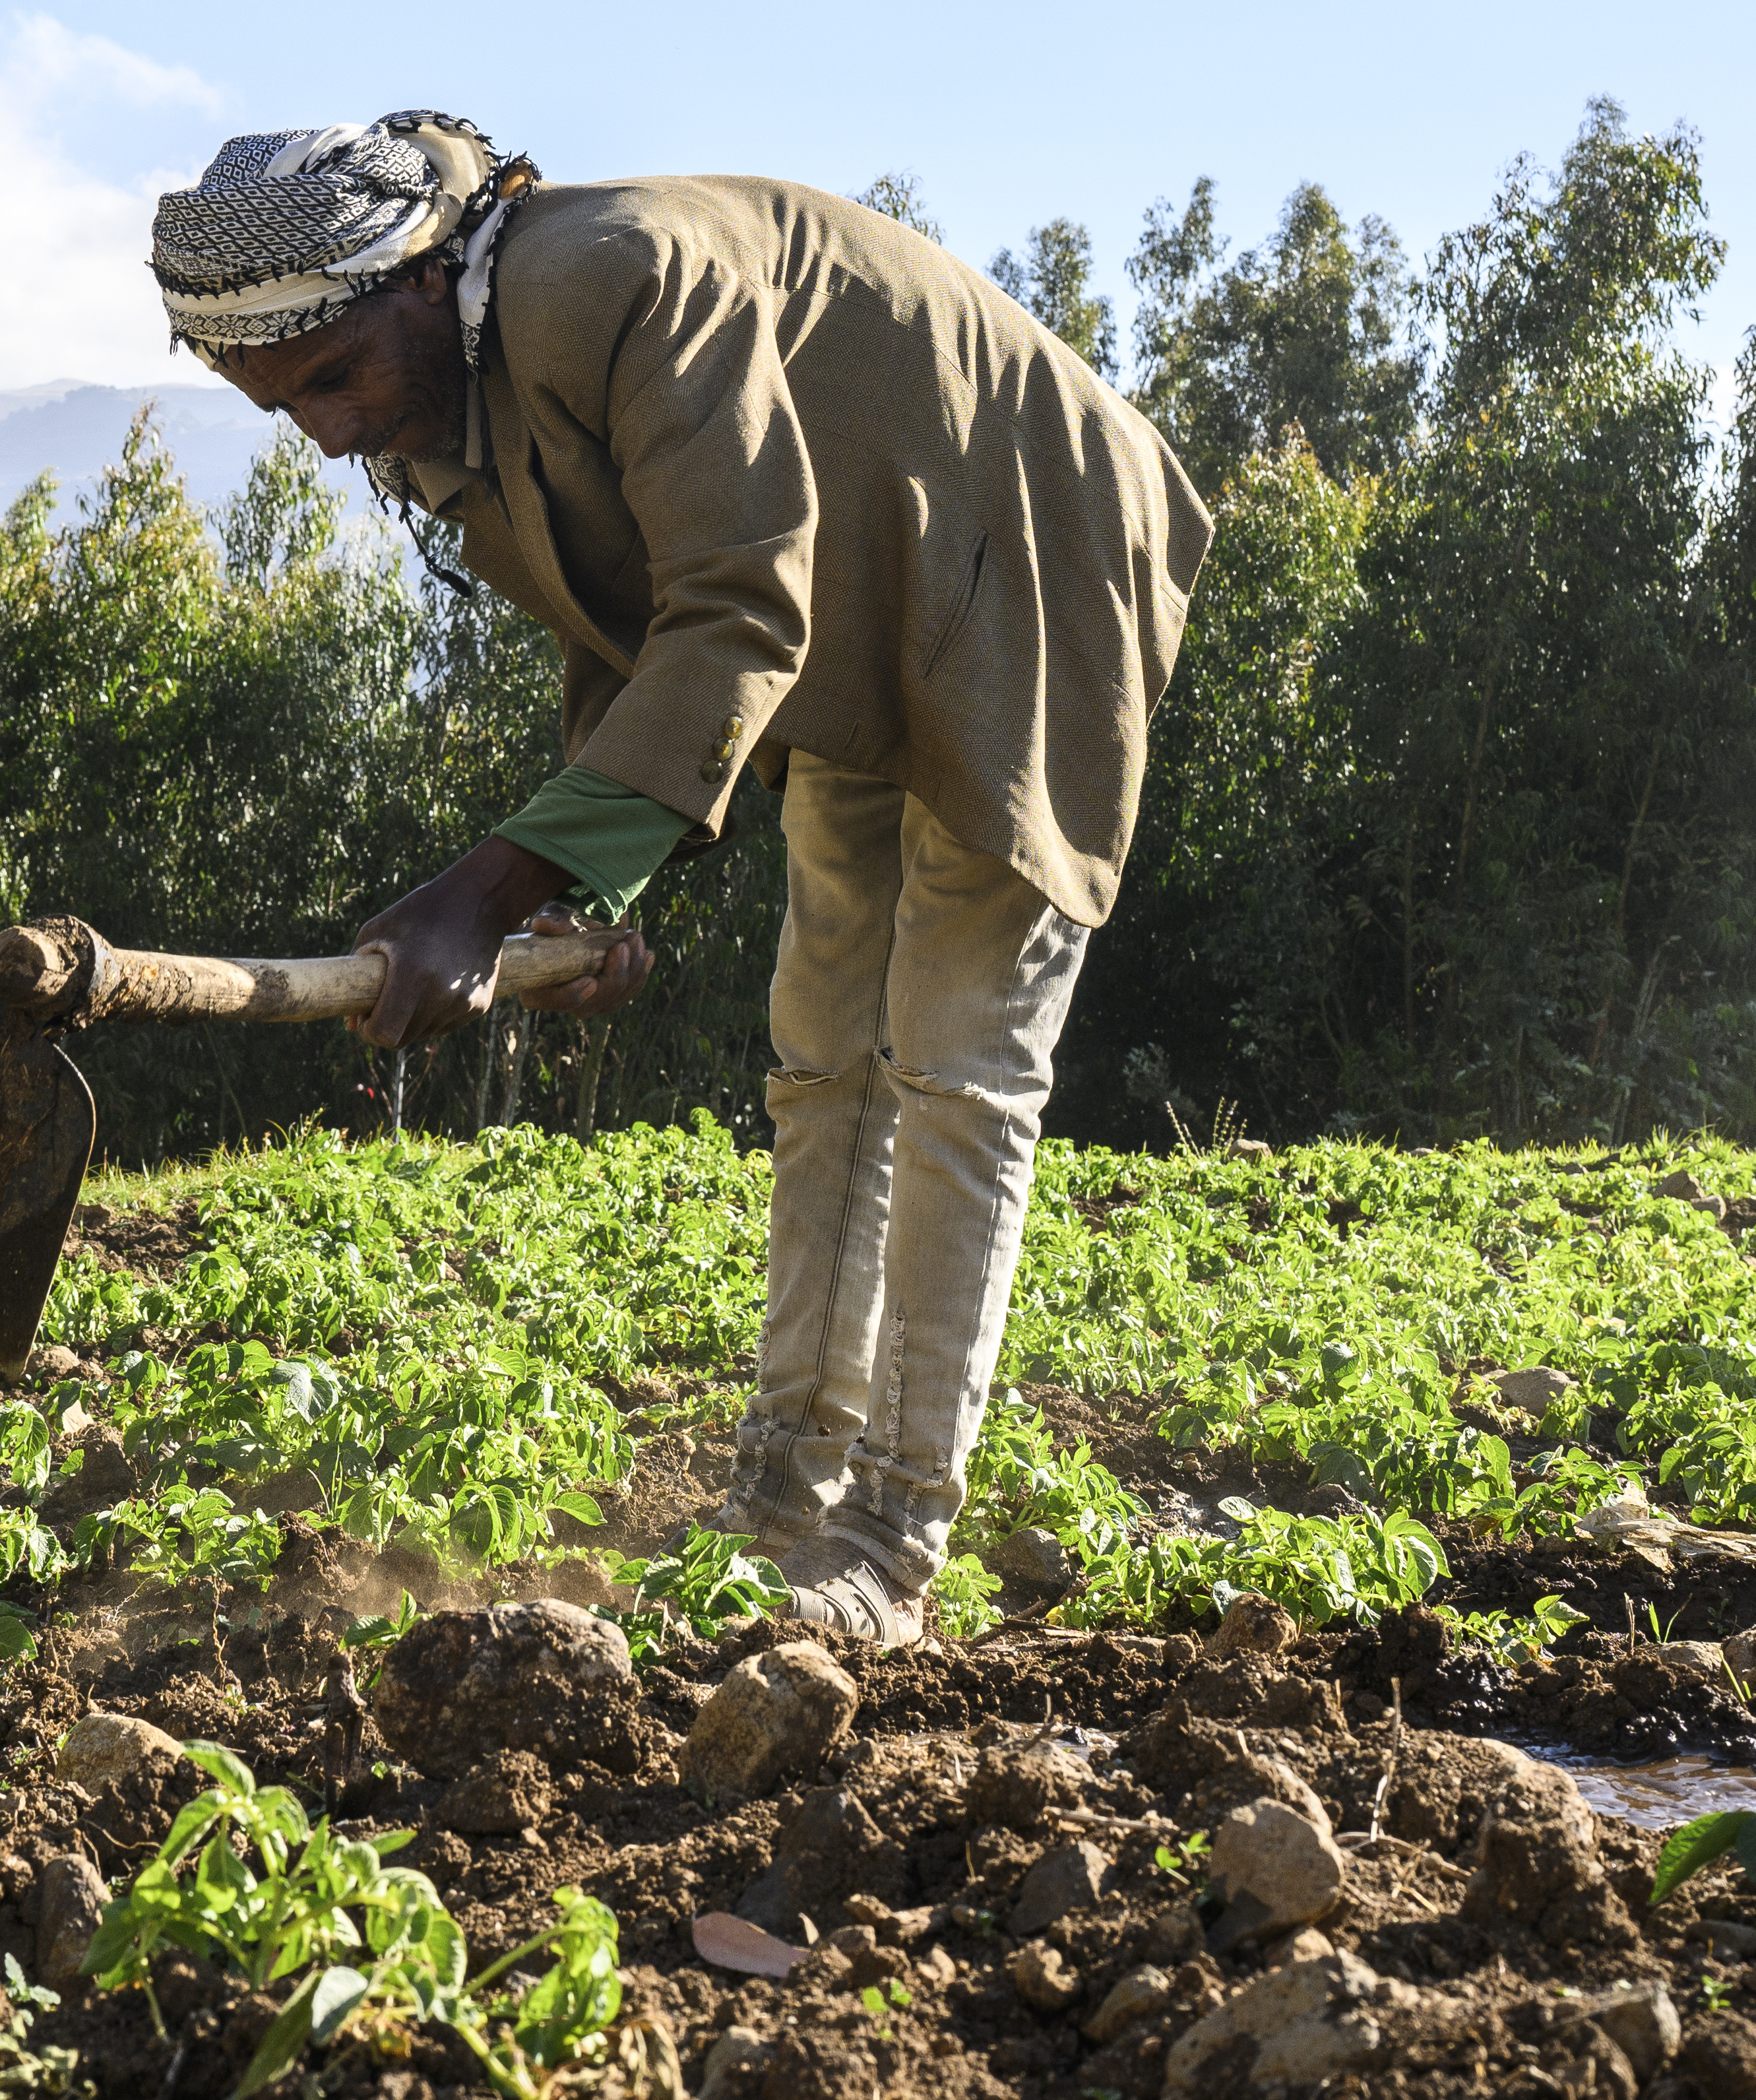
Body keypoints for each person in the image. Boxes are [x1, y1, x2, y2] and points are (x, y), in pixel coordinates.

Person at [154, 113, 1210, 1647]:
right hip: (841, 597)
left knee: (956, 1048)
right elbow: (622, 623)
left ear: (418, 273)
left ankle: (892, 1535)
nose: (321, 428)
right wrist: (578, 899)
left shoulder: (620, 275)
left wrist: (477, 888)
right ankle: (783, 1488)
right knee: (820, 1045)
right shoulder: (435, 406)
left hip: (1021, 540)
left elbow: (726, 611)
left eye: (331, 377)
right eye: (278, 403)